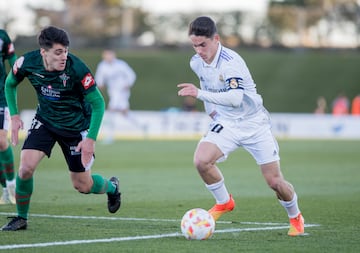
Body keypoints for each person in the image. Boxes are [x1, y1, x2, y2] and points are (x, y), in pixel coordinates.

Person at [177, 16, 304, 236]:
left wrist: (198, 94)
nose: (198, 50)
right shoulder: (196, 62)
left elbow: (235, 98)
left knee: (274, 182)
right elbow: (208, 87)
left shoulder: (230, 62)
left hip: (254, 123)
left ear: (216, 39)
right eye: (194, 45)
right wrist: (211, 113)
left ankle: (295, 217)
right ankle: (224, 202)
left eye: (203, 45)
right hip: (226, 122)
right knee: (201, 161)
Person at [1, 26, 121, 231]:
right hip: (45, 121)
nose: (64, 56)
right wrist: (13, 115)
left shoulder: (77, 69)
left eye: (65, 50)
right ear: (43, 52)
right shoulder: (26, 63)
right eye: (58, 52)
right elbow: (10, 83)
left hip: (76, 127)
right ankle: (21, 218)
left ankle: (112, 187)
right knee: (26, 167)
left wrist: (90, 139)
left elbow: (98, 104)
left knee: (83, 185)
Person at [95, 49, 139, 143]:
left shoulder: (121, 64)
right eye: (106, 55)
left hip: (122, 92)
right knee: (124, 112)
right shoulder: (102, 66)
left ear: (113, 55)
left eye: (110, 55)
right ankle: (142, 126)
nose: (108, 57)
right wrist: (100, 85)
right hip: (113, 92)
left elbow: (131, 75)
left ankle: (109, 136)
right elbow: (100, 80)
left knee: (111, 111)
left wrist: (128, 84)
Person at [0, 29, 16, 205]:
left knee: (1, 140)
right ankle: (6, 188)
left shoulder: (2, 37)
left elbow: (13, 63)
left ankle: (11, 184)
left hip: (0, 96)